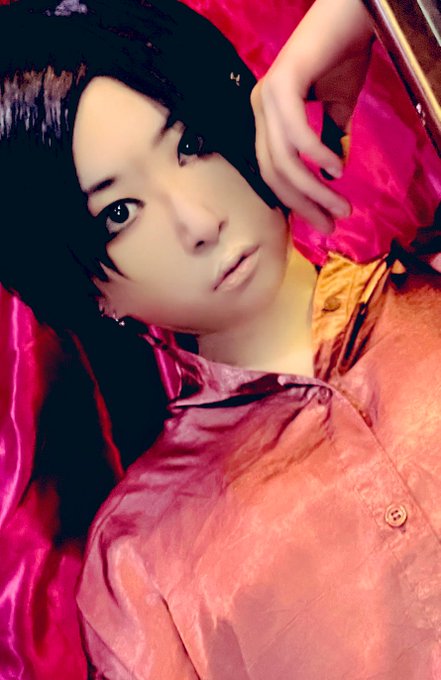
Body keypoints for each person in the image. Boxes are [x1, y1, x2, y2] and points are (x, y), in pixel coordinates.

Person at [0, 0, 440, 678]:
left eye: (189, 144)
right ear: (89, 294)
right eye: (119, 213)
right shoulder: (141, 559)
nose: (199, 222)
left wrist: (375, 15)